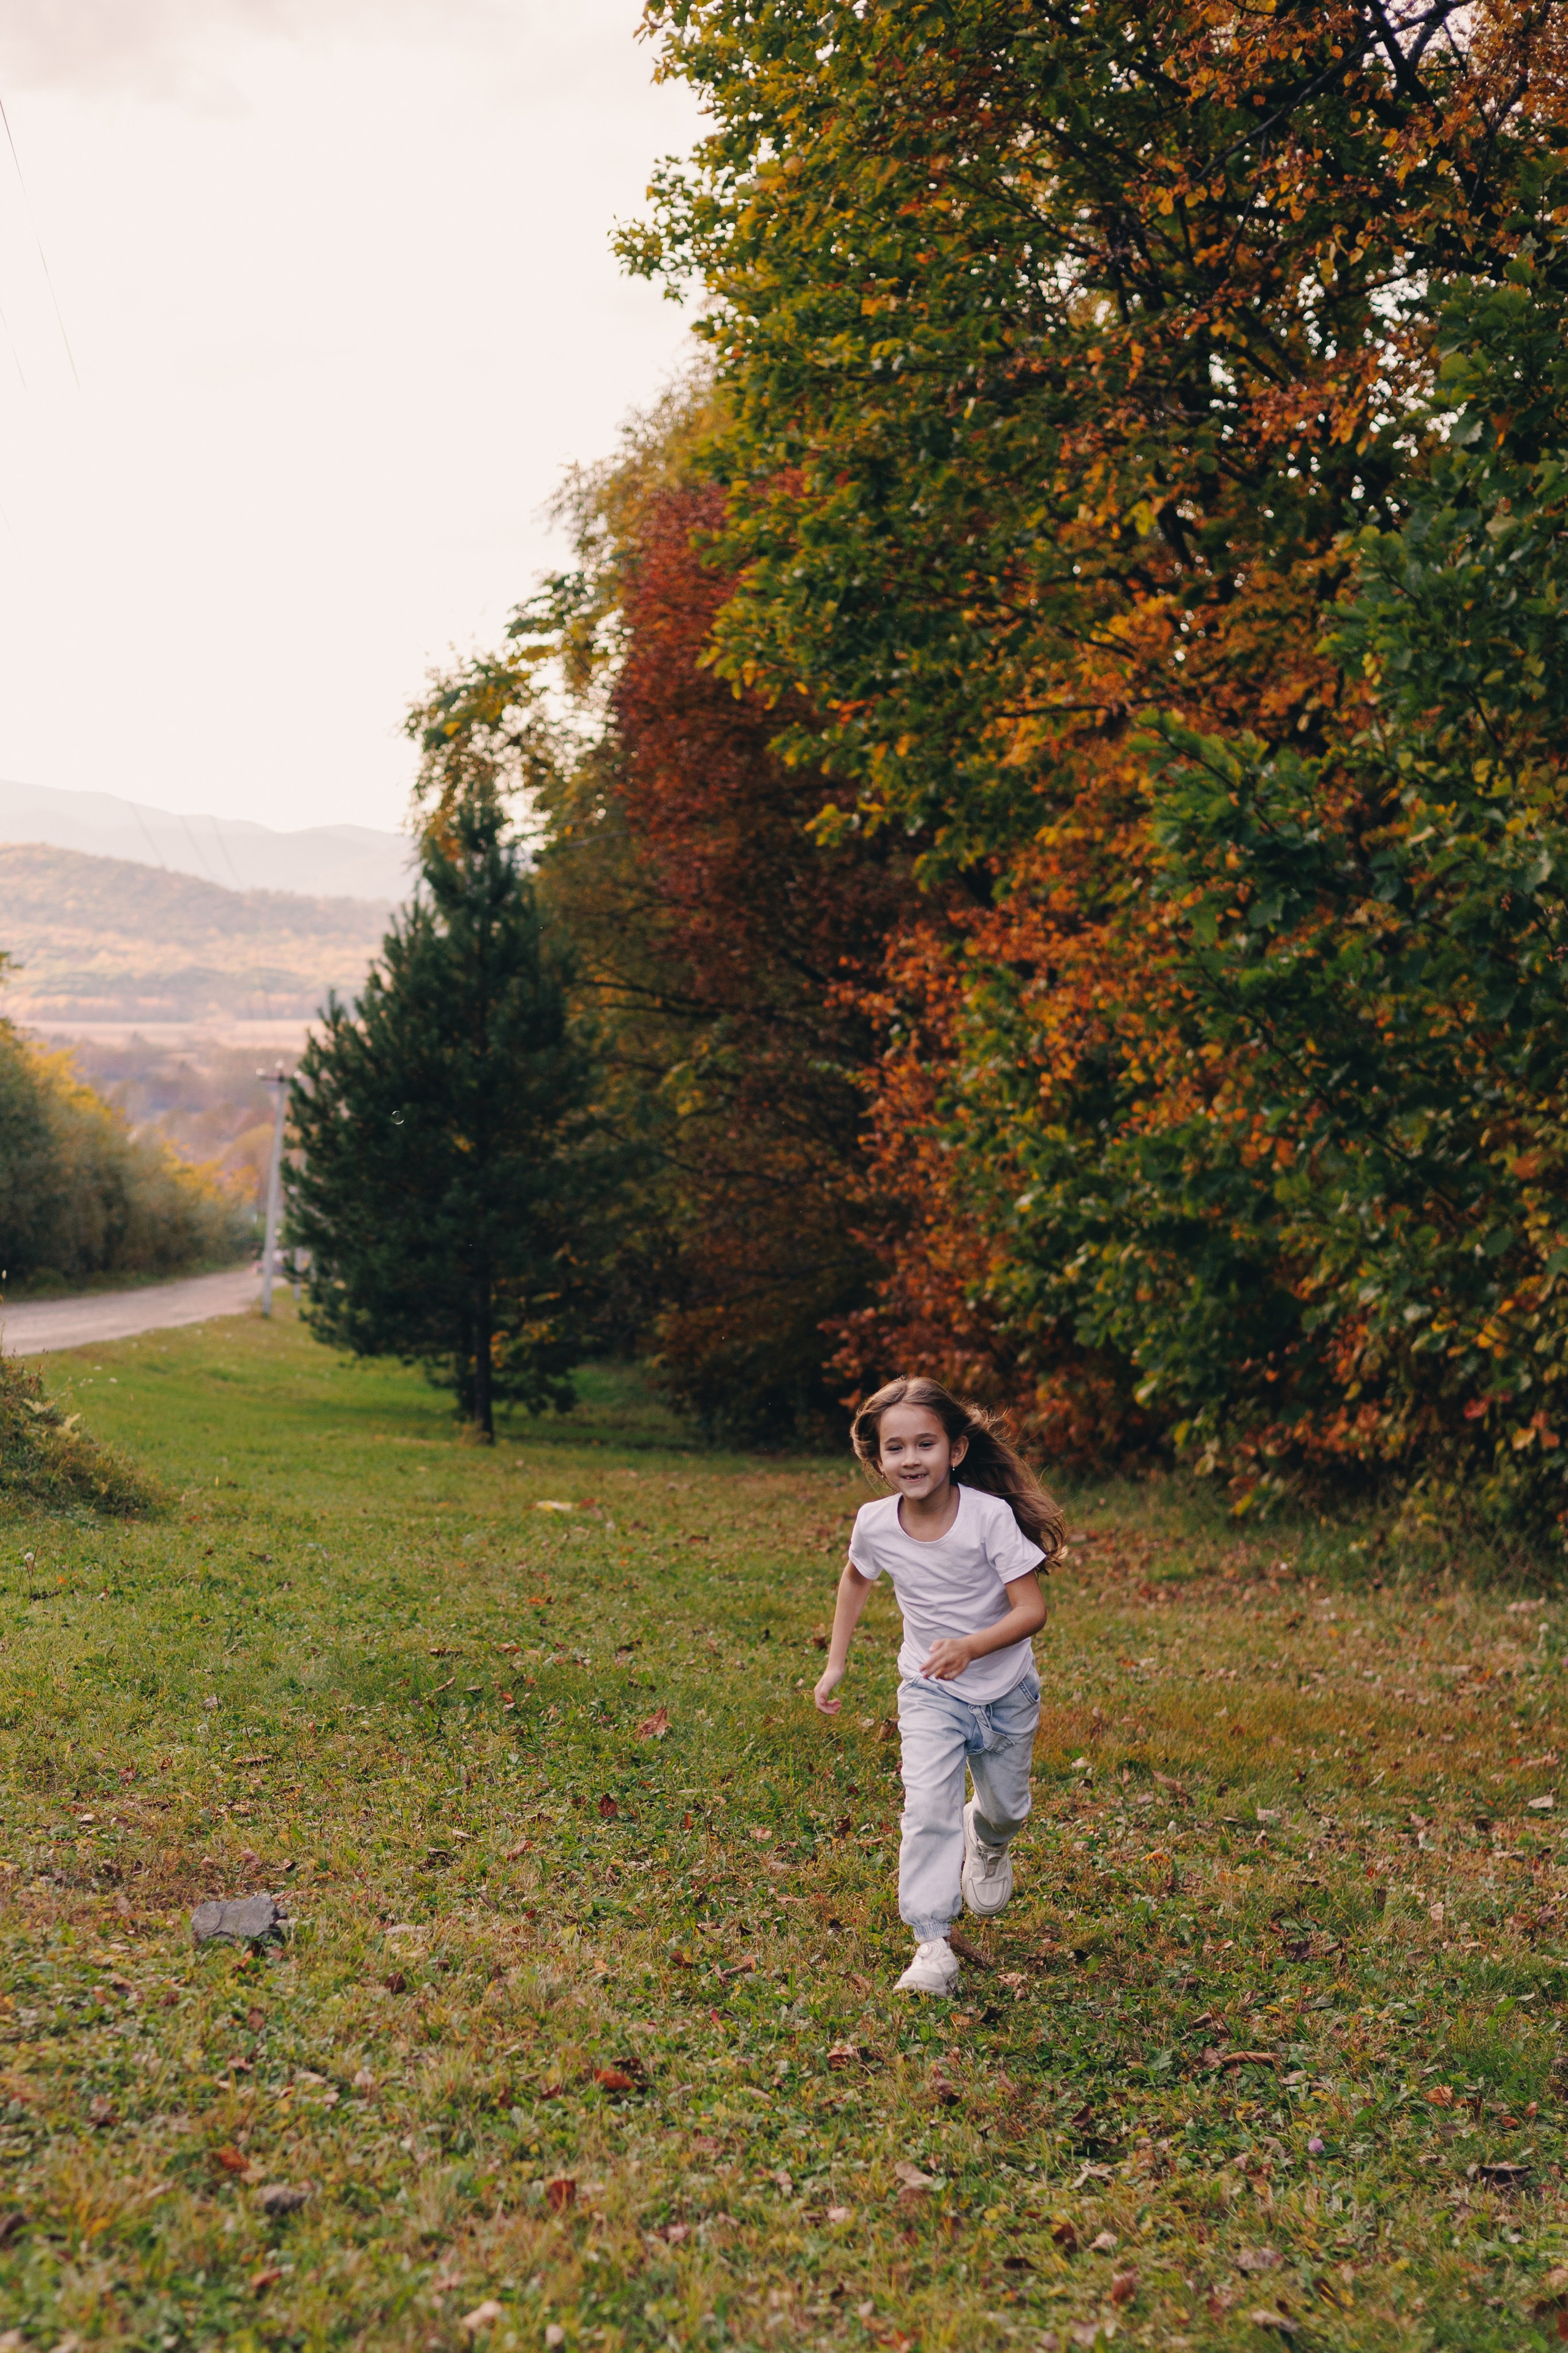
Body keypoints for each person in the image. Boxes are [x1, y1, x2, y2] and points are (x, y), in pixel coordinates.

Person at [813, 1375, 1065, 1995]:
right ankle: (931, 1944)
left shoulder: (988, 1517)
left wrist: (972, 1647)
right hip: (928, 1690)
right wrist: (836, 1661)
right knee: (926, 1808)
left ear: (954, 1450)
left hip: (1005, 1690)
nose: (910, 1459)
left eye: (924, 1444)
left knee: (1006, 1809)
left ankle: (988, 1839)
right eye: (894, 1448)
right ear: (876, 1459)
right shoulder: (874, 1523)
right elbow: (855, 1579)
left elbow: (1031, 1610)